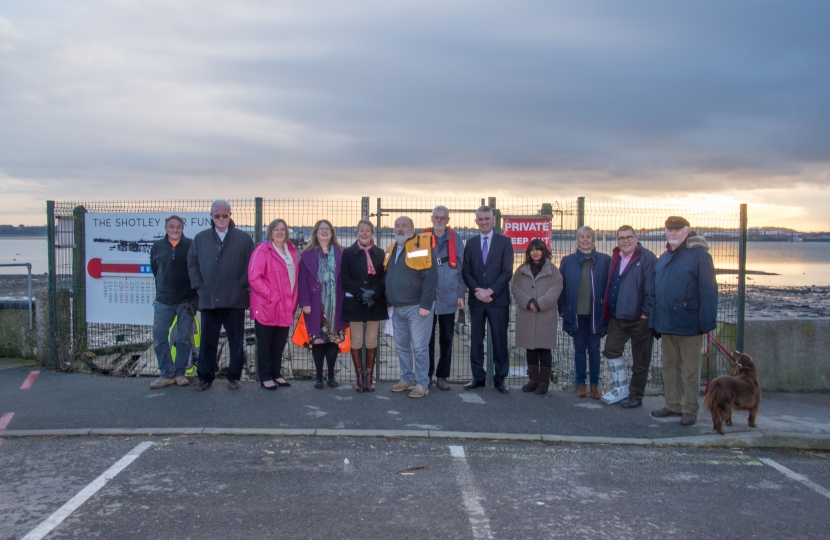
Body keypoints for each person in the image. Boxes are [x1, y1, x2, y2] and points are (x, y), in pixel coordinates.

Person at [650, 216, 718, 426]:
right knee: (669, 367)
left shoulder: (699, 255)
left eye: (677, 230)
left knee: (690, 370)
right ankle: (672, 405)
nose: (672, 233)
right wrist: (655, 321)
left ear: (686, 232)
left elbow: (708, 290)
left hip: (690, 324)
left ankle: (690, 409)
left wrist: (706, 322)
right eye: (669, 230)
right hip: (667, 323)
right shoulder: (663, 257)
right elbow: (656, 292)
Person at [187, 200, 255, 391]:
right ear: (211, 217)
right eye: (217, 216)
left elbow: (251, 265)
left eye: (225, 215)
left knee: (236, 342)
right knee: (208, 341)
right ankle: (205, 378)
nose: (221, 219)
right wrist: (199, 286)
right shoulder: (200, 239)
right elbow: (192, 263)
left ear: (230, 216)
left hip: (235, 300)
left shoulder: (243, 239)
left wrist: (241, 285)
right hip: (209, 299)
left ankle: (234, 377)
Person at [601, 225, 657, 408]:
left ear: (636, 238)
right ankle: (621, 388)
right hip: (618, 318)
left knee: (640, 360)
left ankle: (636, 396)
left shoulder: (647, 257)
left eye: (628, 237)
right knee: (610, 350)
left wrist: (645, 313)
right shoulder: (615, 257)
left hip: (639, 319)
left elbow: (651, 287)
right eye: (621, 238)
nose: (625, 241)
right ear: (617, 240)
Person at [461, 205, 514, 394]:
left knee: (500, 340)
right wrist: (478, 291)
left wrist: (490, 291)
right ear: (476, 222)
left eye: (487, 219)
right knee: (476, 340)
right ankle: (478, 377)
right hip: (477, 300)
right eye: (480, 219)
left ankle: (500, 379)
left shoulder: (505, 242)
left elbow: (507, 271)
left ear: (493, 220)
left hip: (498, 300)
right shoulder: (471, 243)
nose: (484, 222)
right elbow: (466, 271)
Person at [384, 216, 438, 398]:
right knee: (401, 346)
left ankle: (422, 383)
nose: (400, 229)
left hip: (417, 308)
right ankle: (407, 380)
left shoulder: (422, 247)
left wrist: (426, 304)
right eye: (397, 226)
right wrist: (388, 301)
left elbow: (431, 277)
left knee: (420, 348)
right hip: (397, 309)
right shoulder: (391, 250)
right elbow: (387, 277)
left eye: (404, 226)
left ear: (412, 229)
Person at [558, 226, 611, 399]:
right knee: (579, 350)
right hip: (576, 315)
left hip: (596, 315)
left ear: (593, 240)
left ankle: (594, 385)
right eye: (582, 237)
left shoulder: (605, 260)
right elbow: (562, 288)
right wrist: (563, 310)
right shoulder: (567, 261)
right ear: (577, 239)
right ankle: (581, 384)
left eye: (589, 237)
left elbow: (610, 288)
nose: (585, 240)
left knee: (594, 350)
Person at [248, 219, 299, 391]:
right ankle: (266, 376)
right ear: (270, 232)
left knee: (279, 343)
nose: (279, 232)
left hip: (286, 305)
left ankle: (276, 373)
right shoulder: (262, 250)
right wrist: (272, 296)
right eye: (276, 229)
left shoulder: (290, 250)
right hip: (267, 305)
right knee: (265, 343)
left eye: (282, 229)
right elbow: (254, 278)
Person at [149, 215, 197, 389]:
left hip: (186, 300)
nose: (175, 229)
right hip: (164, 300)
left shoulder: (191, 245)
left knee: (184, 339)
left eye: (178, 227)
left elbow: (196, 270)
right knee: (159, 337)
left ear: (182, 228)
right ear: (166, 228)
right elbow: (156, 271)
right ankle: (166, 374)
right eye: (171, 226)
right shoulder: (157, 247)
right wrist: (160, 291)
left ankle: (180, 373)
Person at [298, 219, 347, 389]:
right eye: (321, 229)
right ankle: (319, 377)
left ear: (332, 232)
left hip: (336, 304)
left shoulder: (342, 252)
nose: (325, 231)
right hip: (315, 304)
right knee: (317, 342)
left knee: (333, 342)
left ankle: (331, 376)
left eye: (328, 229)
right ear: (316, 233)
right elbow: (302, 280)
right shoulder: (306, 255)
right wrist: (304, 302)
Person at [340, 219, 387, 392]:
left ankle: (369, 377)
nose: (364, 233)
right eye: (361, 230)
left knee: (371, 339)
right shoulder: (348, 253)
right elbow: (345, 278)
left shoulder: (381, 253)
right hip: (355, 302)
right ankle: (359, 377)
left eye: (368, 230)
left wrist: (373, 293)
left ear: (372, 233)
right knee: (357, 339)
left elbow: (384, 278)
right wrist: (362, 294)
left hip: (375, 301)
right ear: (357, 232)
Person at [511, 239, 563, 395]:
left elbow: (556, 289)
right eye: (532, 249)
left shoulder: (553, 271)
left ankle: (544, 382)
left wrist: (539, 303)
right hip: (527, 313)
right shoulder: (520, 270)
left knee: (544, 349)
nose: (535, 252)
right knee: (530, 348)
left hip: (545, 315)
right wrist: (528, 302)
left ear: (543, 251)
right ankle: (533, 380)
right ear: (528, 252)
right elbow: (515, 288)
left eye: (538, 249)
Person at [423, 205, 465, 390]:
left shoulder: (456, 239)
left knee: (447, 337)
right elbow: (414, 266)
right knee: (427, 338)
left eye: (443, 218)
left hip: (449, 296)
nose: (439, 221)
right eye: (436, 217)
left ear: (448, 220)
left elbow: (463, 269)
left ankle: (442, 376)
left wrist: (461, 293)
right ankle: (426, 375)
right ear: (431, 219)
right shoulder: (422, 237)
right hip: (428, 297)